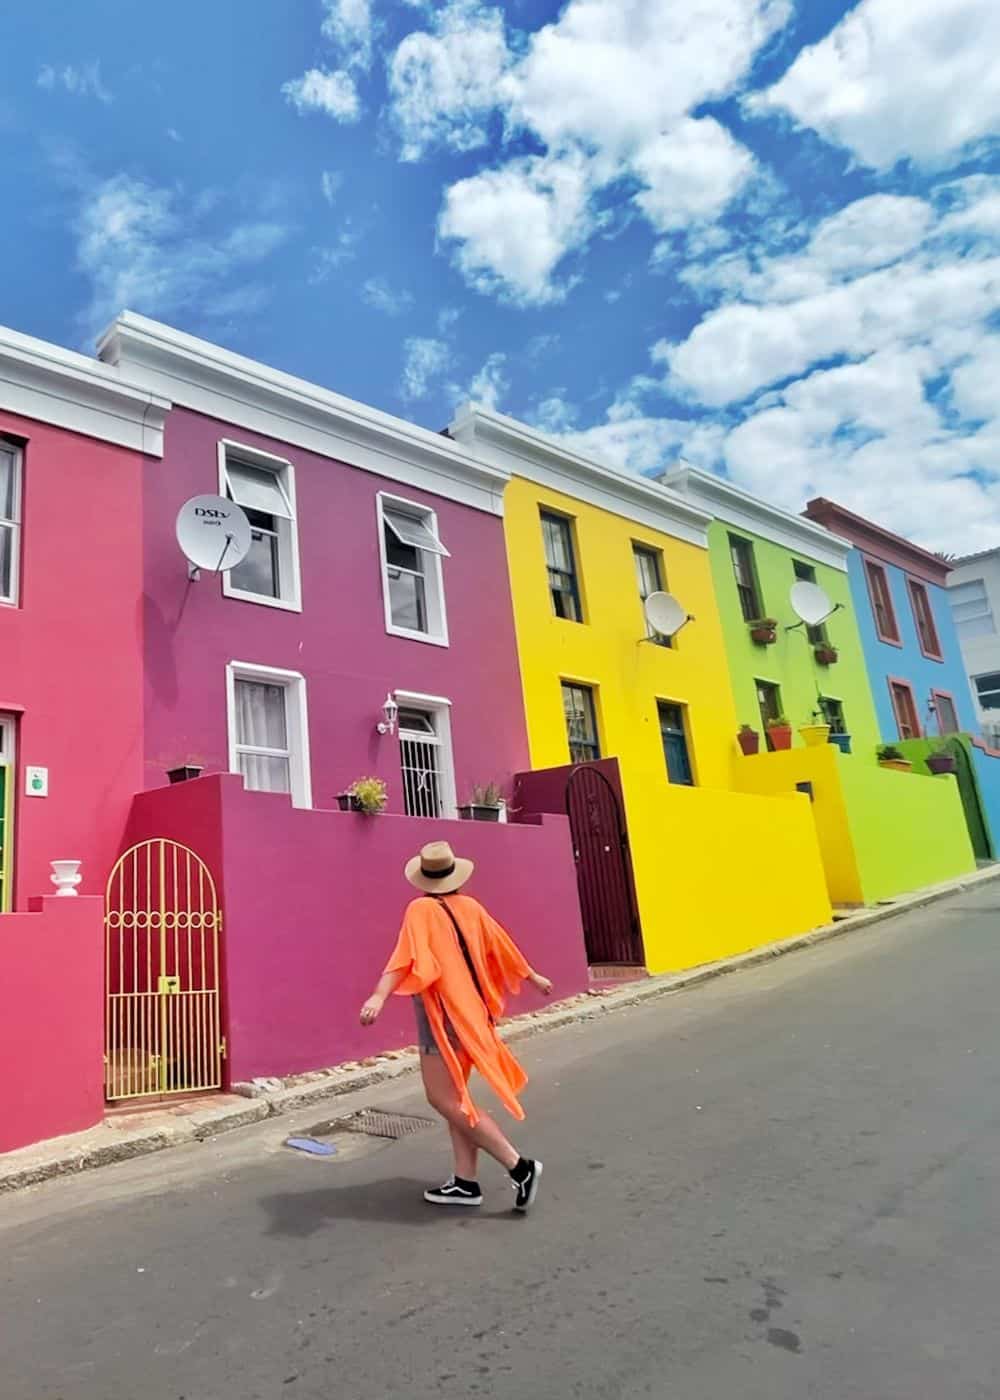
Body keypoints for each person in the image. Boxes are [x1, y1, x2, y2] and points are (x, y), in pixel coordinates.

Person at [360, 840, 553, 1211]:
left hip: (444, 1018)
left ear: (423, 878)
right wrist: (533, 976)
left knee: (443, 1099)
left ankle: (519, 1166)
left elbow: (404, 960)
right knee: (458, 1100)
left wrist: (378, 996)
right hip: (474, 1016)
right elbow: (503, 945)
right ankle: (465, 1182)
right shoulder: (472, 907)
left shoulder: (420, 909)